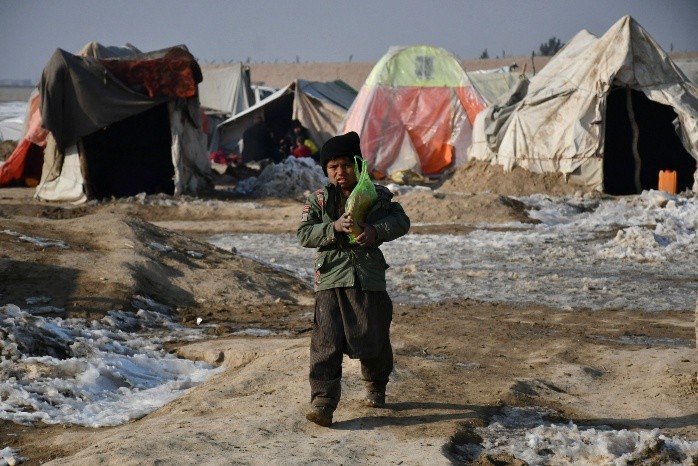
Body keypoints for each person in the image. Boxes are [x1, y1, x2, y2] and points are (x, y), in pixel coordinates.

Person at [297, 131, 411, 427]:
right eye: (333, 167)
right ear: (325, 170)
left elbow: (401, 221)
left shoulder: (377, 196)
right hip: (331, 279)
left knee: (375, 336)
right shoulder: (319, 200)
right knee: (326, 340)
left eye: (347, 165)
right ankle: (323, 401)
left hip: (368, 278)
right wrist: (332, 228)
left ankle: (376, 385)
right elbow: (304, 234)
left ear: (358, 165)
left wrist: (375, 231)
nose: (340, 172)